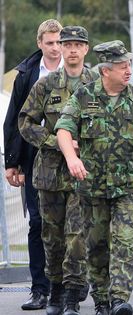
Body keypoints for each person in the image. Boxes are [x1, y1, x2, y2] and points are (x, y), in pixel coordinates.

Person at [54, 40, 133, 315]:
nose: (128, 71)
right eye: (123, 66)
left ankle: (119, 300)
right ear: (105, 71)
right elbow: (63, 129)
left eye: (129, 65)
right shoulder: (83, 96)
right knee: (97, 245)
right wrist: (72, 158)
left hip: (130, 186)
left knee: (125, 241)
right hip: (92, 186)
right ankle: (101, 300)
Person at [18, 25, 97, 315]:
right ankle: (55, 290)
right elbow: (25, 123)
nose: (73, 49)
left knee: (77, 234)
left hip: (84, 173)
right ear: (60, 49)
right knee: (51, 236)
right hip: (50, 174)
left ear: (86, 49)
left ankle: (73, 295)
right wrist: (56, 143)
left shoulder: (97, 84)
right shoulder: (46, 85)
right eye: (68, 44)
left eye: (79, 44)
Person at [3, 18, 63, 311]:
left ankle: (69, 287)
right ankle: (40, 289)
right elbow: (13, 119)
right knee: (38, 223)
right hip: (34, 159)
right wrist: (12, 163)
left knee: (72, 225)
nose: (55, 48)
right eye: (49, 43)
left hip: (71, 161)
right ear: (39, 43)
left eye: (58, 42)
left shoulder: (76, 72)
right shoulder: (26, 74)